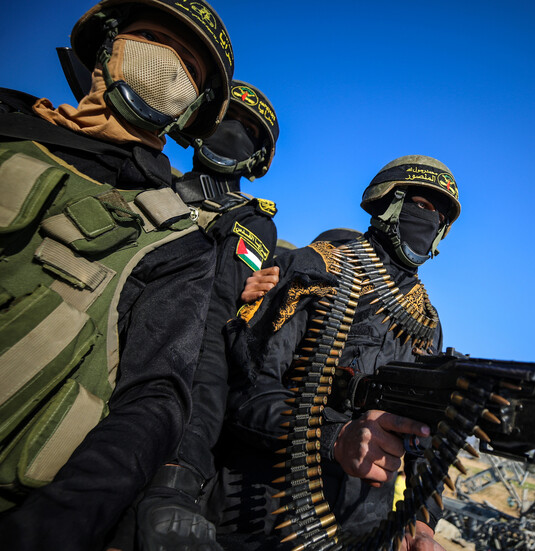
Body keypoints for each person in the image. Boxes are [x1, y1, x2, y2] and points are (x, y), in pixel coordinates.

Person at [0, 1, 234, 549]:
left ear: (193, 108)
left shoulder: (177, 238)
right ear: (106, 48)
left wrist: (53, 527)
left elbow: (155, 398)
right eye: (152, 37)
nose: (166, 63)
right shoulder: (10, 127)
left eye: (190, 68)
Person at [207, 155, 461, 551]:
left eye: (440, 216)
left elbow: (424, 439)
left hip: (362, 531)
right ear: (386, 202)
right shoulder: (314, 269)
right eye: (422, 206)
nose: (430, 223)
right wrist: (333, 438)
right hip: (264, 513)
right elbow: (246, 388)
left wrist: (421, 523)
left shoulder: (427, 322)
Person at [118, 79, 281, 551]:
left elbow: (206, 337)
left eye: (248, 130)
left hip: (163, 403)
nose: (232, 132)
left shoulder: (250, 221)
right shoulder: (142, 179)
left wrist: (180, 474)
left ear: (258, 158)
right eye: (226, 118)